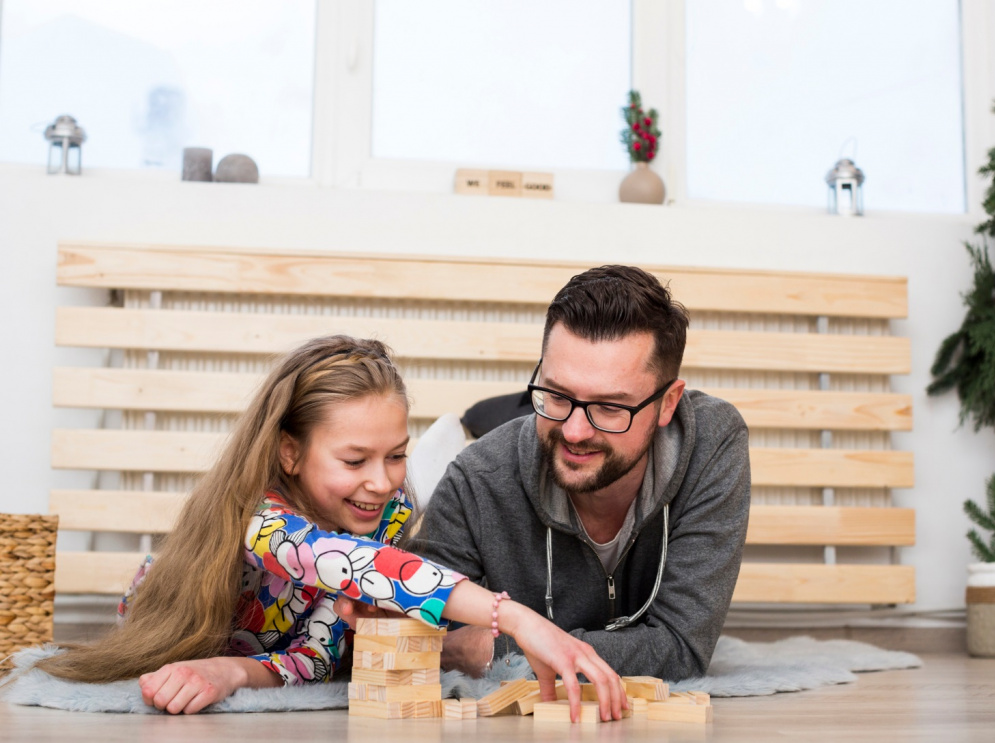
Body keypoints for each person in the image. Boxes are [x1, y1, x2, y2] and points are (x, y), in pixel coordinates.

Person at [32, 335, 626, 721]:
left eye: (396, 455)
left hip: (270, 649)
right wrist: (517, 617)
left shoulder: (386, 513)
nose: (382, 481)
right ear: (290, 453)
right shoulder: (264, 521)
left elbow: (320, 653)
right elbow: (355, 567)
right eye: (354, 460)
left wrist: (238, 674)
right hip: (180, 628)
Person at [404, 265, 751, 680]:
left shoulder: (711, 443)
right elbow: (430, 644)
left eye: (610, 406)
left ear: (667, 404)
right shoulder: (475, 480)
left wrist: (496, 646)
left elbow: (680, 649)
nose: (574, 431)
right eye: (556, 394)